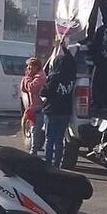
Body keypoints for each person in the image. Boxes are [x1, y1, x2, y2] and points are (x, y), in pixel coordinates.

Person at [40, 40, 76, 168]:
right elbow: (70, 61)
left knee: (49, 139)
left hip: (52, 111)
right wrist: (64, 49)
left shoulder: (54, 78)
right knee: (59, 140)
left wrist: (44, 86)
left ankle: (48, 162)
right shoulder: (72, 79)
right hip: (65, 112)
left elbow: (44, 93)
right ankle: (57, 164)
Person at [21, 57, 47, 156]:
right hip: (34, 107)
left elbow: (32, 88)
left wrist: (27, 78)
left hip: (40, 107)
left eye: (30, 66)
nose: (28, 68)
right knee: (33, 129)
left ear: (36, 67)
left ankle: (33, 152)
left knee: (36, 130)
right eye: (27, 66)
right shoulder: (33, 76)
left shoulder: (40, 76)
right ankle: (34, 150)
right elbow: (23, 88)